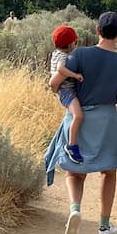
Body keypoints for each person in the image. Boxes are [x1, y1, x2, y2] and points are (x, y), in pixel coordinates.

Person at [44, 11, 117, 234]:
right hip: (106, 121)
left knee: (74, 173)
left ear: (97, 31)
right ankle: (104, 225)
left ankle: (75, 209)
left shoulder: (79, 54)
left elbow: (55, 83)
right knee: (108, 171)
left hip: (77, 120)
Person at [48, 24, 86, 162]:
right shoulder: (63, 57)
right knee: (78, 115)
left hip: (64, 90)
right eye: (75, 42)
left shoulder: (56, 53)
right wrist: (75, 75)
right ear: (71, 44)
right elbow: (61, 70)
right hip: (66, 91)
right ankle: (72, 145)